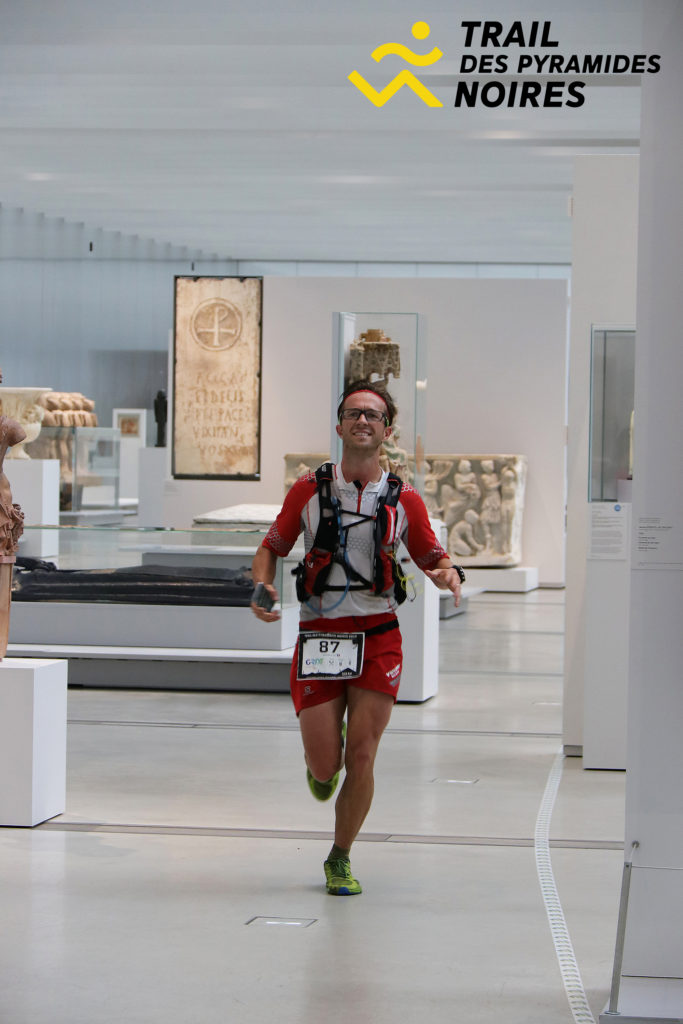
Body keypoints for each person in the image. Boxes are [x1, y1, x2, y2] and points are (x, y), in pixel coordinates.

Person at [250, 379, 464, 896]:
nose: (362, 420)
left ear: (387, 431)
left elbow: (433, 555)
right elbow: (272, 546)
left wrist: (448, 574)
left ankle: (339, 856)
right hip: (320, 635)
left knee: (362, 756)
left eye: (372, 415)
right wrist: (261, 587)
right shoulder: (308, 489)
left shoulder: (404, 499)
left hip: (379, 635)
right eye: (353, 413)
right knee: (326, 766)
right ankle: (322, 764)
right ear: (339, 425)